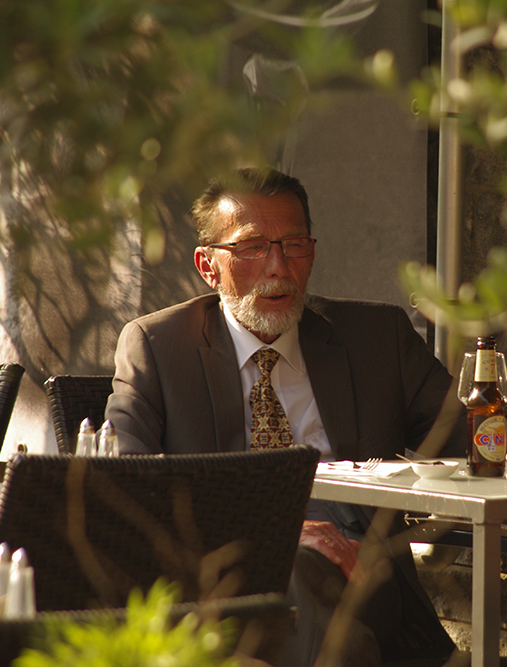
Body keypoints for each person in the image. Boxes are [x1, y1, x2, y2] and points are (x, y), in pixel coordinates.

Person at [105, 167, 464, 667]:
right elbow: (125, 482)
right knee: (290, 572)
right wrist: (270, 528)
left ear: (311, 252)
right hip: (223, 575)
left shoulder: (375, 338)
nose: (278, 267)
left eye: (294, 245)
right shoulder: (158, 347)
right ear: (208, 267)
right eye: (252, 248)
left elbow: (466, 425)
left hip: (359, 566)